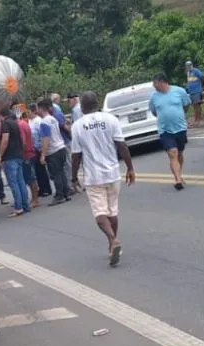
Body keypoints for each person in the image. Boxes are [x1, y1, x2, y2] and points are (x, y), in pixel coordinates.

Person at [71, 92, 136, 267]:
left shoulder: (77, 126)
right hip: (113, 173)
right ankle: (112, 244)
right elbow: (122, 145)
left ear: (82, 107)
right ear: (97, 103)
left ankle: (113, 240)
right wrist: (130, 168)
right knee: (112, 212)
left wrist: (73, 177)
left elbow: (76, 155)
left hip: (93, 177)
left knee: (100, 215)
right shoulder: (111, 119)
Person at [149, 72, 191, 191]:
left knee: (180, 153)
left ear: (162, 82)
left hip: (180, 128)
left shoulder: (179, 91)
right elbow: (154, 112)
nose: (154, 86)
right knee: (173, 153)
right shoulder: (154, 97)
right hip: (165, 130)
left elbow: (186, 105)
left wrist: (179, 115)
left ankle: (179, 174)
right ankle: (177, 180)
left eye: (155, 83)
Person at [36, 100, 71, 206]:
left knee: (55, 174)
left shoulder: (44, 122)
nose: (37, 111)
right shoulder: (53, 119)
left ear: (41, 109)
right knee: (61, 172)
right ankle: (66, 192)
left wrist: (43, 154)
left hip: (53, 150)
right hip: (61, 147)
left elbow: (45, 138)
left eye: (38, 108)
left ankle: (59, 195)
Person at [0, 107, 30, 217]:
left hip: (9, 157)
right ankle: (25, 205)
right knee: (21, 181)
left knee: (13, 183)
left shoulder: (5, 124)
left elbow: (5, 140)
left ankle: (18, 207)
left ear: (2, 116)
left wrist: (0, 155)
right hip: (18, 155)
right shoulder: (15, 123)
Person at [28, 103, 53, 198]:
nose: (27, 114)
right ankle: (41, 189)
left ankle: (46, 189)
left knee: (41, 170)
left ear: (33, 111)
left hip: (39, 147)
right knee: (37, 171)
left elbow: (42, 135)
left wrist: (43, 149)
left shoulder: (38, 121)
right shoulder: (29, 121)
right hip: (33, 148)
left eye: (29, 112)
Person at [19, 112, 40, 208]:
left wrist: (22, 154)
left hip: (26, 154)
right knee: (31, 177)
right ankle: (34, 198)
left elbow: (23, 142)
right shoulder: (24, 124)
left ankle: (35, 199)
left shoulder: (20, 126)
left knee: (30, 178)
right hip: (30, 152)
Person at [185, 61, 204, 127]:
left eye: (189, 65)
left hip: (197, 91)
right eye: (187, 66)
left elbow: (202, 77)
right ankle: (196, 118)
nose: (188, 67)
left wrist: (203, 86)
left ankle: (198, 118)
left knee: (197, 105)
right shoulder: (188, 73)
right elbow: (189, 81)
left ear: (191, 65)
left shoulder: (196, 71)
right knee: (194, 106)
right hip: (191, 92)